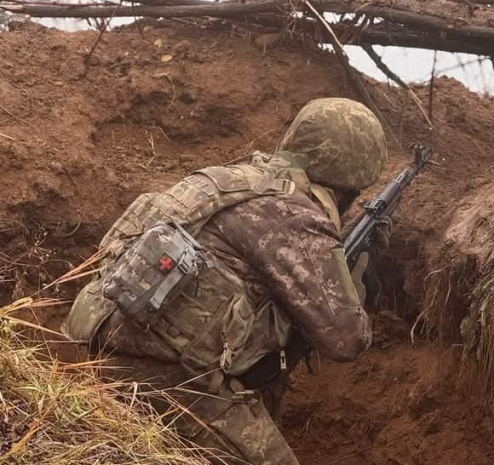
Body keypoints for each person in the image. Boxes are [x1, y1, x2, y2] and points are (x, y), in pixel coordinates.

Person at [61, 97, 389, 465]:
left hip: (91, 349)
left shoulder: (223, 181)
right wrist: (356, 273)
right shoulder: (292, 213)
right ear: (350, 180)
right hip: (164, 380)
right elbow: (345, 339)